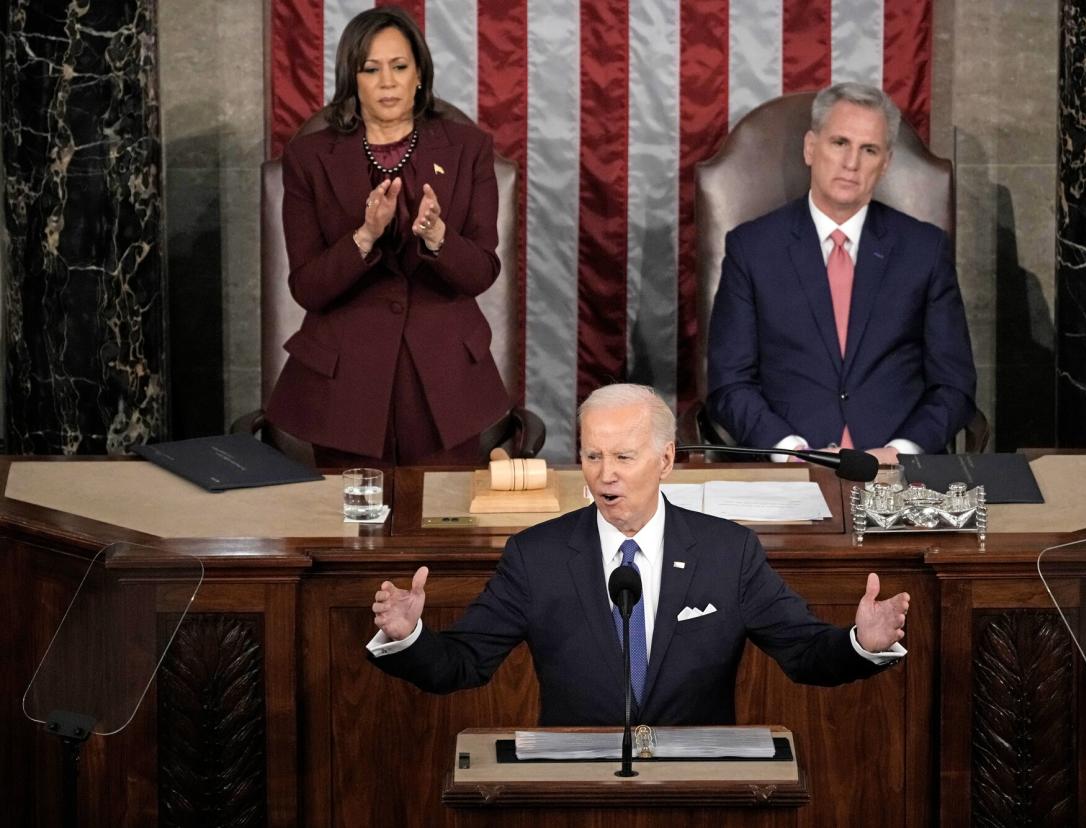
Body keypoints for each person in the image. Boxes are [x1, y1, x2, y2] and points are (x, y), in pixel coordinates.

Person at [367, 383, 909, 726]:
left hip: (696, 789)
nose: (606, 474)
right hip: (574, 787)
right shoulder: (538, 556)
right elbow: (461, 664)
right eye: (593, 455)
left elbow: (806, 655)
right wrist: (409, 636)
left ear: (666, 459)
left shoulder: (727, 552)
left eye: (624, 456)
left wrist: (861, 643)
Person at [266, 7, 510, 466]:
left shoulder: (468, 149)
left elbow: (481, 272)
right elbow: (307, 288)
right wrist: (363, 236)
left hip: (444, 380)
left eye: (399, 67)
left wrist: (438, 235)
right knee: (349, 533)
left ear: (419, 73)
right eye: (371, 69)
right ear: (351, 79)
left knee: (442, 528)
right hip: (344, 386)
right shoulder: (308, 157)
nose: (388, 82)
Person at [707, 82, 976, 464]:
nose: (852, 162)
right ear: (810, 148)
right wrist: (788, 450)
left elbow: (955, 385)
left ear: (884, 165)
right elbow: (729, 383)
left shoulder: (924, 250)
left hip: (895, 471)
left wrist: (902, 451)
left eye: (869, 150)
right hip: (789, 470)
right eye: (839, 143)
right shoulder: (752, 248)